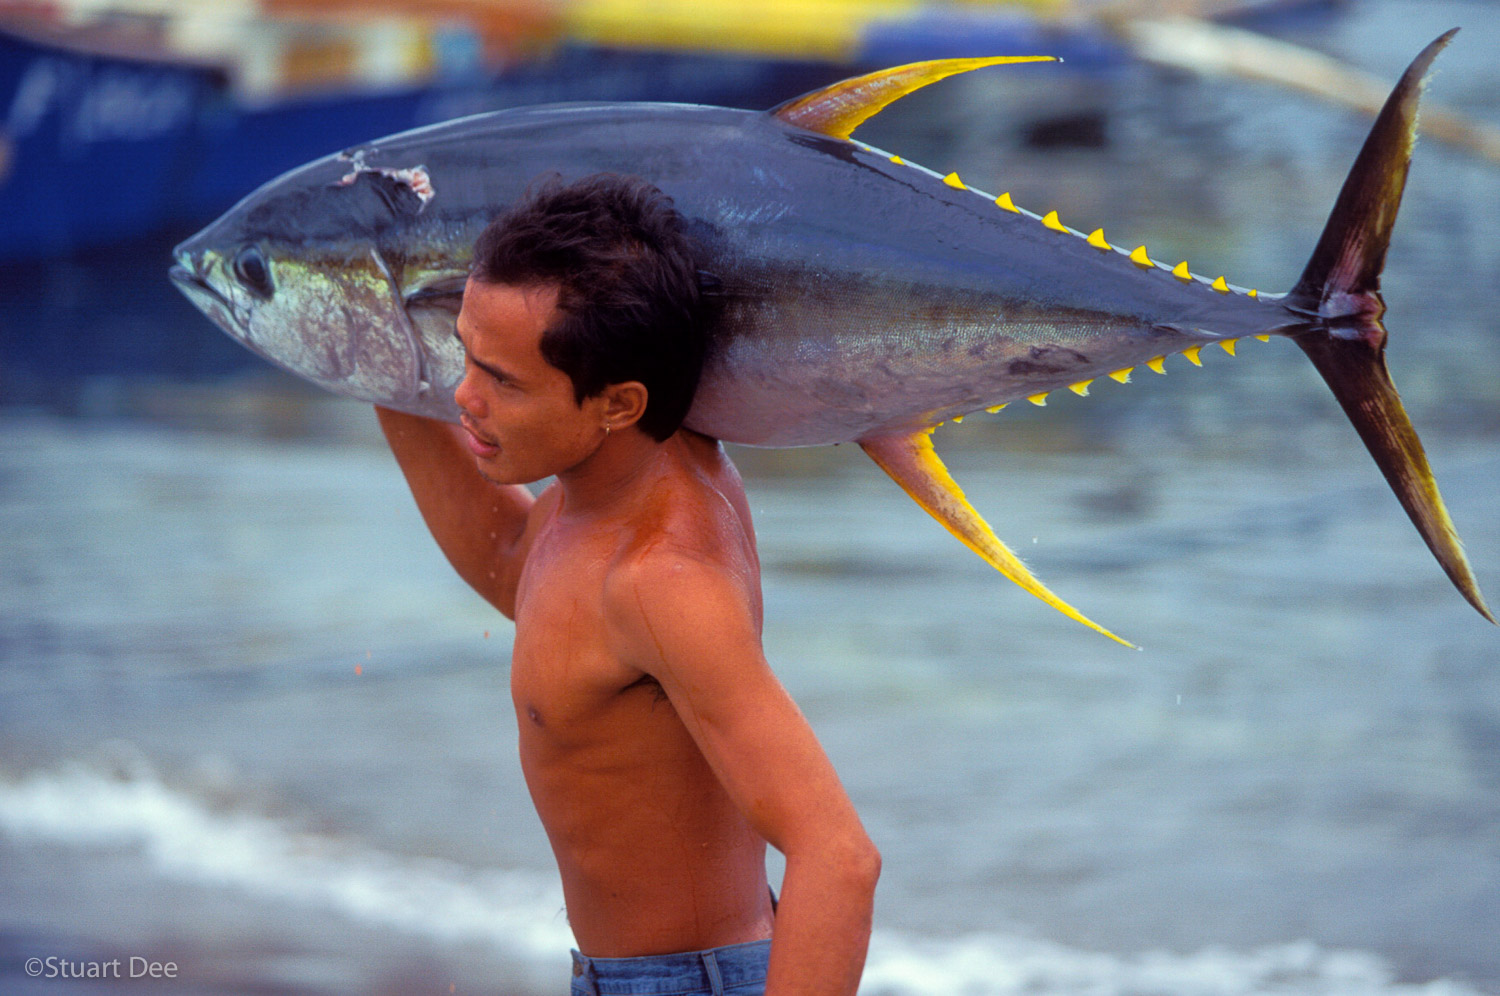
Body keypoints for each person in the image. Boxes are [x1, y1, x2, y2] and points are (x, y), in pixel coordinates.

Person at [375, 173, 880, 996]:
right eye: (463, 356)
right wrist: (383, 379)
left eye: (502, 381)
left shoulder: (662, 581)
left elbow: (840, 856)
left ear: (617, 404)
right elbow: (516, 560)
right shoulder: (620, 485)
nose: (462, 397)